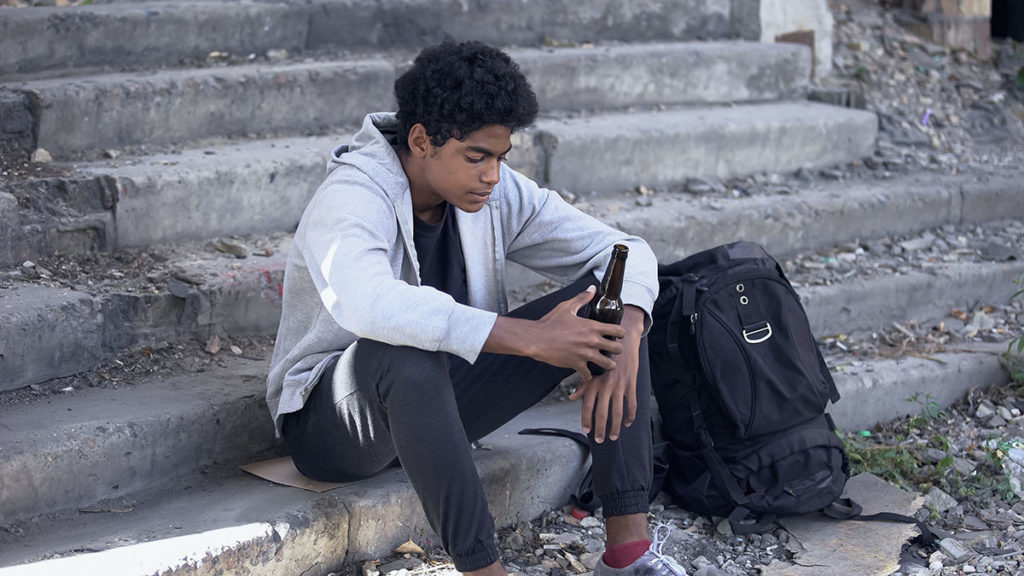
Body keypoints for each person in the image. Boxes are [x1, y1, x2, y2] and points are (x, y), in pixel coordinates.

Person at [266, 40, 721, 576]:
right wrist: (527, 337)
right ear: (421, 140)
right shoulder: (352, 196)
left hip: (441, 408)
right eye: (476, 157)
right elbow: (367, 304)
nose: (492, 175)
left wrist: (626, 329)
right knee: (403, 354)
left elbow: (626, 250)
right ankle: (484, 569)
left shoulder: (492, 192)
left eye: (500, 157)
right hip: (339, 426)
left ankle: (628, 553)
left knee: (611, 306)